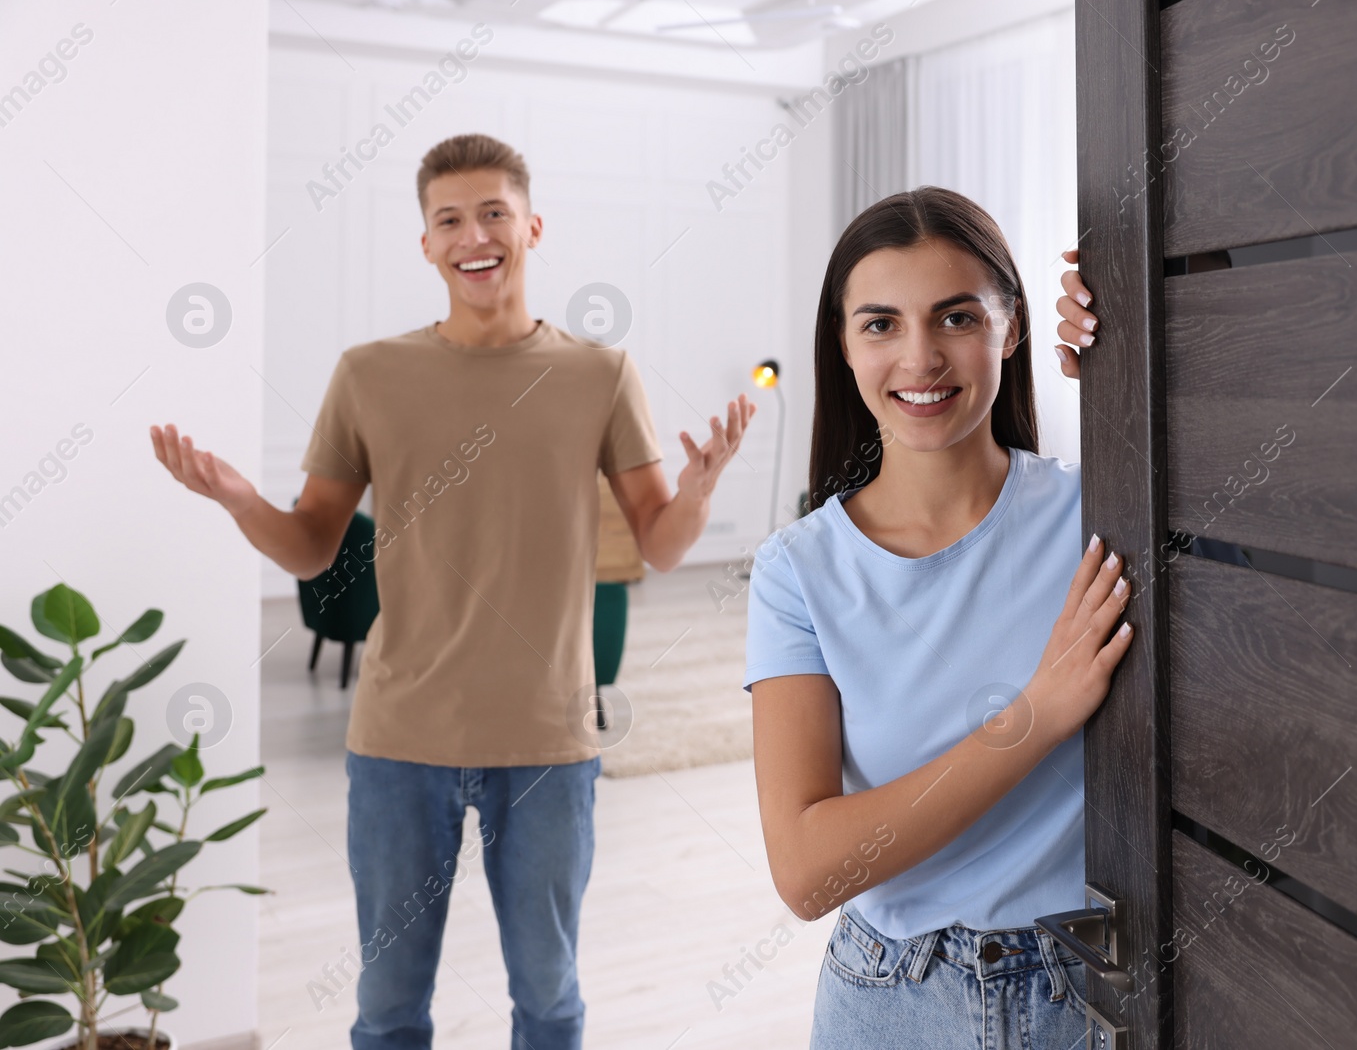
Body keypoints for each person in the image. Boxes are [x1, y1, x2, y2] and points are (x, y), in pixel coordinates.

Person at [150, 132, 755, 1050]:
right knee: (389, 1011)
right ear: (426, 244)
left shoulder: (600, 374)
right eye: (450, 219)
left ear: (532, 227)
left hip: (549, 742)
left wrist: (702, 489)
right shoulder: (369, 374)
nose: (475, 235)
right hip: (400, 741)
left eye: (494, 213)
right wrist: (239, 497)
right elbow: (315, 549)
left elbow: (662, 546)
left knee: (549, 1004)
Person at [743, 186, 1131, 1048]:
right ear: (843, 347)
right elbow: (808, 871)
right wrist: (1033, 715)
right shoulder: (797, 572)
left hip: (1091, 991)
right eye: (880, 324)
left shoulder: (1102, 514)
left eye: (957, 318)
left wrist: (1134, 367)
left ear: (1013, 326)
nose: (920, 358)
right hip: (892, 1004)